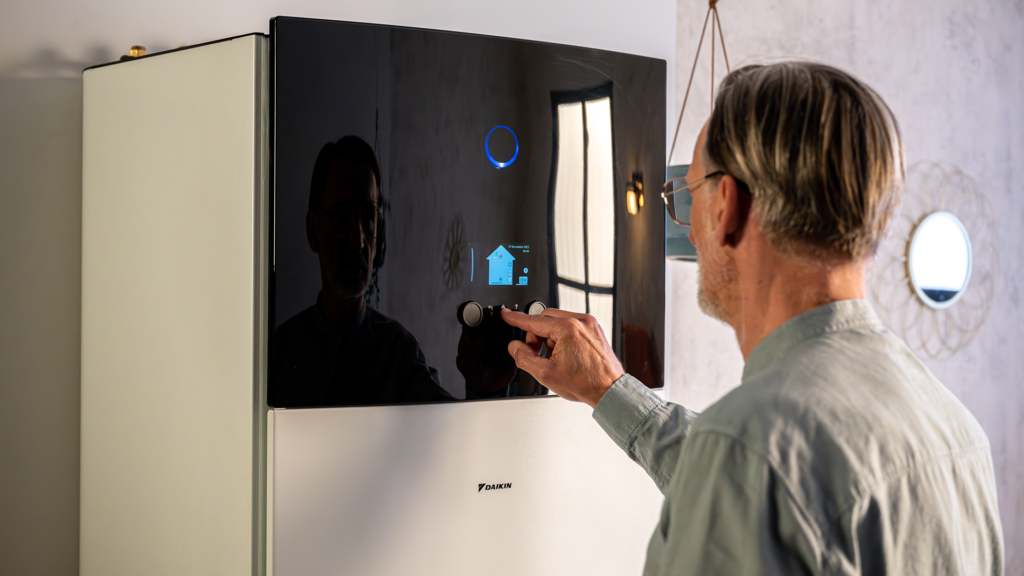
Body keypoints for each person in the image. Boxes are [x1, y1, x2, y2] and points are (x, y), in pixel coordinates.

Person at [501, 62, 1004, 574]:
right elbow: (776, 487)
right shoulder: (959, 434)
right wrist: (610, 389)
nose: (689, 233)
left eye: (687, 198)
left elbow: (751, 472)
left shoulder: (746, 450)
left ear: (726, 206)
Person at [270, 136, 453, 407]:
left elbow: (449, 423)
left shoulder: (400, 355)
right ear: (313, 230)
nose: (358, 241)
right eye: (342, 215)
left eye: (368, 216)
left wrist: (485, 390)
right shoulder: (277, 354)